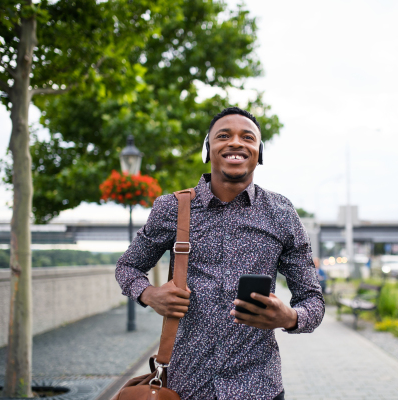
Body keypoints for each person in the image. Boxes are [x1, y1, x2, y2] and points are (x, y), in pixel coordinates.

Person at [116, 107, 325, 400]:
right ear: (208, 149)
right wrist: (149, 295)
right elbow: (127, 267)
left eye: (247, 137)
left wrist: (289, 317)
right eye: (223, 136)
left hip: (259, 388)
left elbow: (313, 302)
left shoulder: (282, 213)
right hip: (186, 386)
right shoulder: (172, 208)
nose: (236, 142)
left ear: (259, 152)